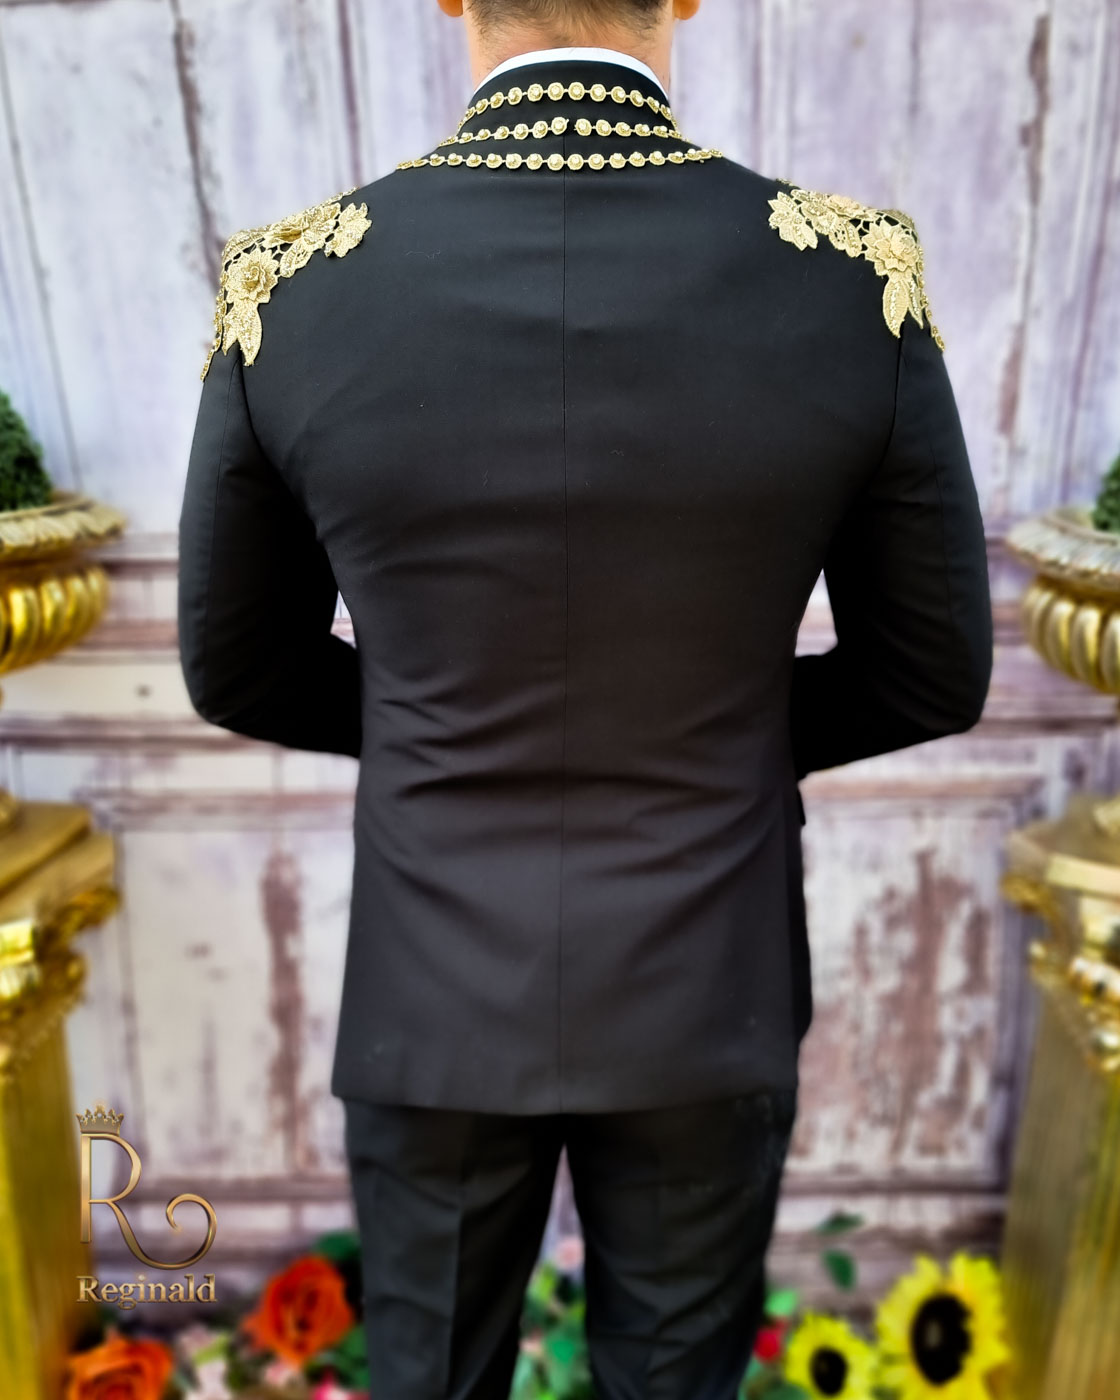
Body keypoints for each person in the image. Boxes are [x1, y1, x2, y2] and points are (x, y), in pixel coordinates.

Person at [176, 0, 993, 1394]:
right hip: (706, 974)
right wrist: (712, 736)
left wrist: (441, 726)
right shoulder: (849, 280)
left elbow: (236, 661)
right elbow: (929, 668)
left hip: (434, 984)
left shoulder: (295, 286)